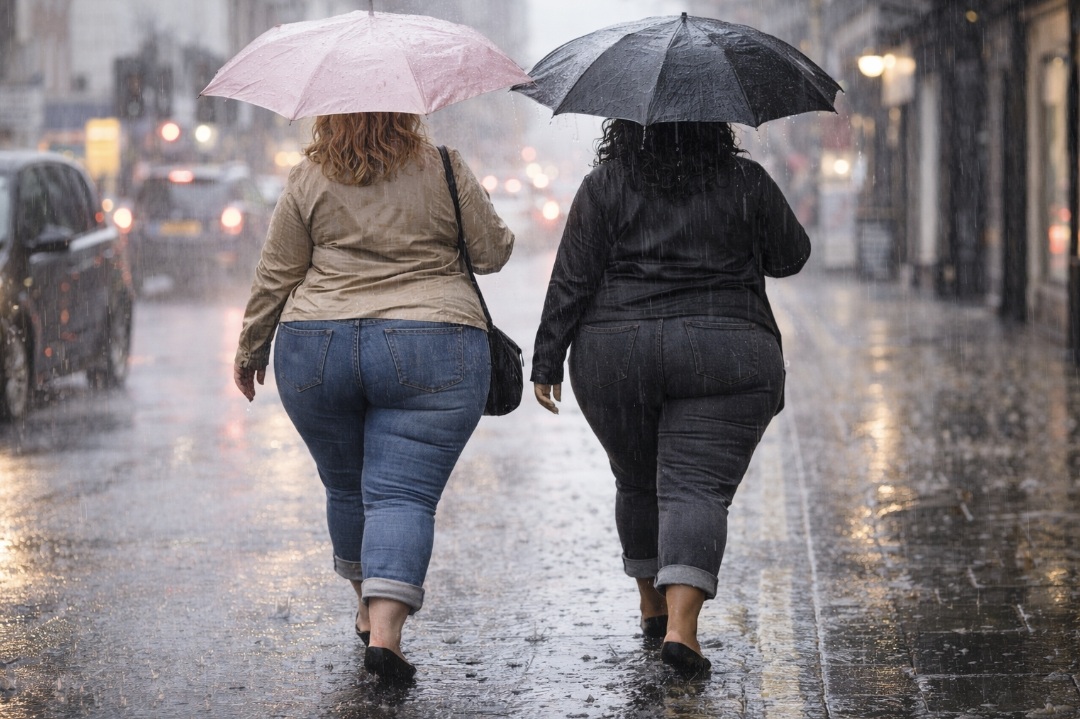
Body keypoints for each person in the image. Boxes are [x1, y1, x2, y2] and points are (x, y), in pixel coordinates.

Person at [233, 112, 514, 683]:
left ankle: (365, 608)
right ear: (405, 109)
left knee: (345, 484)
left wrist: (251, 347)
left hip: (316, 347)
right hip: (431, 341)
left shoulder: (309, 175)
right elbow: (491, 254)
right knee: (402, 496)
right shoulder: (442, 165)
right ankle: (385, 635)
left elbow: (276, 271)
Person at [531, 118, 809, 678]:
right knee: (696, 487)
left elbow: (572, 279)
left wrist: (546, 359)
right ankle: (683, 630)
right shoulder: (746, 180)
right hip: (727, 348)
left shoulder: (606, 183)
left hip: (617, 353)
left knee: (637, 478)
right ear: (716, 123)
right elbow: (790, 257)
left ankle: (650, 606)